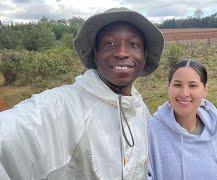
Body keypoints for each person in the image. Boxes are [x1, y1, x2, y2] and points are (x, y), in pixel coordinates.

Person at [0, 7, 164, 179]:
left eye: (134, 44)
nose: (122, 52)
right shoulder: (63, 106)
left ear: (144, 55)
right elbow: (12, 132)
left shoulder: (139, 109)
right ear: (95, 53)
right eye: (109, 43)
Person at [148, 59, 217, 180]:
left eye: (192, 85)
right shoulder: (150, 133)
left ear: (205, 90)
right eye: (177, 85)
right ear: (168, 88)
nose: (184, 93)